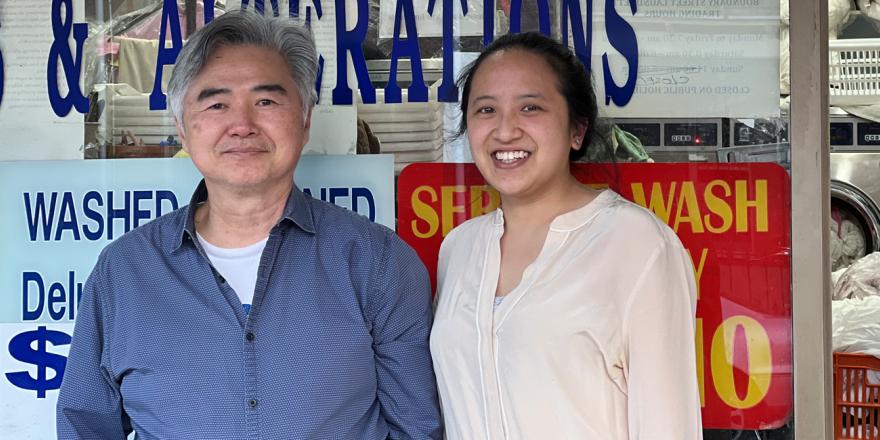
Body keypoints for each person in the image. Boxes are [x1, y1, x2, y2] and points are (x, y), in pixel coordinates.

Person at [57, 11, 442, 439]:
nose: (242, 125)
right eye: (216, 103)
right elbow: (85, 423)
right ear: (182, 130)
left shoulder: (378, 263)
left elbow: (415, 428)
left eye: (266, 101)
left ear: (305, 120)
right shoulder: (125, 271)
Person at [429, 32, 702, 439]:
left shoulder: (637, 245)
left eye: (530, 107)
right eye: (486, 109)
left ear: (577, 130)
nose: (505, 131)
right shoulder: (460, 249)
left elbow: (669, 426)